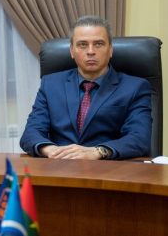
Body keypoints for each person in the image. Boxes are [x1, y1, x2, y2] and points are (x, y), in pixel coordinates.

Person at [20, 15, 152, 160]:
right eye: (82, 44)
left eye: (98, 44)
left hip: (108, 168)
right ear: (72, 50)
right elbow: (31, 133)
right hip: (59, 165)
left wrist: (99, 151)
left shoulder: (135, 87)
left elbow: (139, 138)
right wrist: (50, 150)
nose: (90, 51)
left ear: (110, 49)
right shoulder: (51, 84)